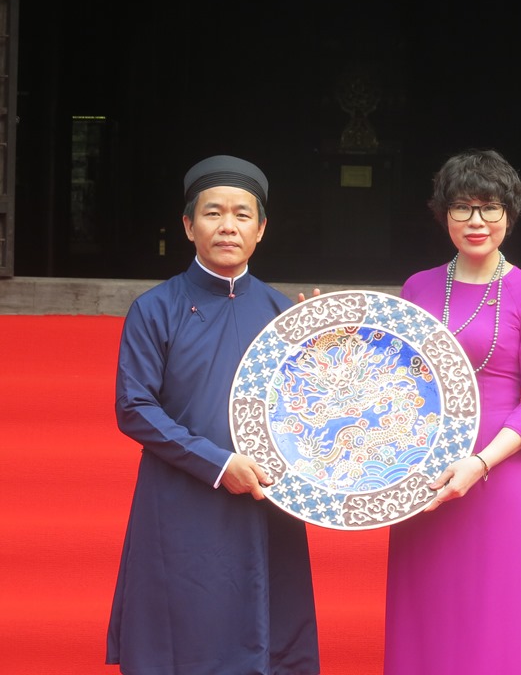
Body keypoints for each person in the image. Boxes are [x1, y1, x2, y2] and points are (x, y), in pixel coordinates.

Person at [106, 155, 320, 675]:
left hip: (266, 500)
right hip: (181, 495)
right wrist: (219, 464)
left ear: (261, 229)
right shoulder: (156, 308)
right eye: (213, 212)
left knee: (270, 628)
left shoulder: (282, 313)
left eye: (242, 215)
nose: (228, 226)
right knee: (183, 631)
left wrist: (325, 347)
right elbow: (134, 407)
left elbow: (314, 412)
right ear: (188, 225)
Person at [384, 149, 521, 674]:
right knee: (429, 607)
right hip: (424, 469)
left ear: (509, 213)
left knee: (493, 610)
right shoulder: (417, 287)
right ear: (444, 214)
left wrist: (480, 463)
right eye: (462, 207)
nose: (476, 221)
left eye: (490, 207)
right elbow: (391, 380)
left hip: (497, 473)